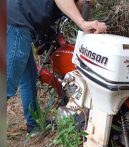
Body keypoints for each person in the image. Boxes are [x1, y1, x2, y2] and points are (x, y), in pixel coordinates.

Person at [7, 0, 107, 136]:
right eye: (86, 5)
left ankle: (34, 125)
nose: (84, 10)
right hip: (14, 23)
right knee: (7, 84)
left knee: (29, 78)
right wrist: (82, 23)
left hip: (20, 23)